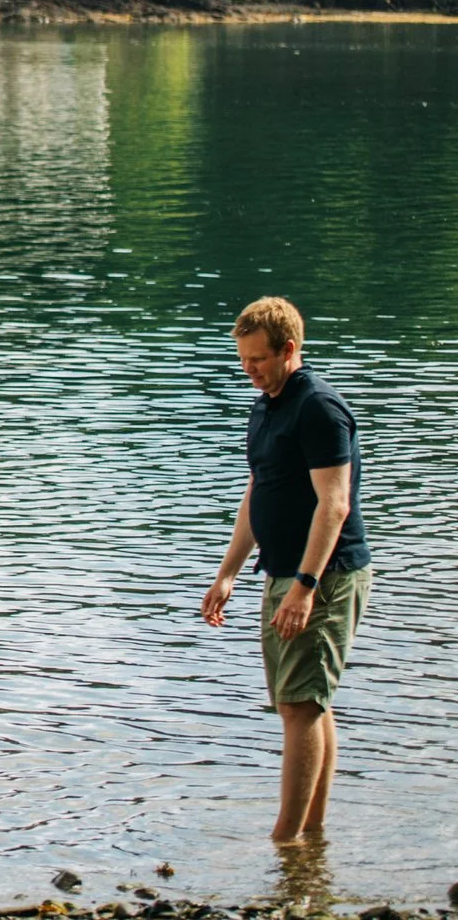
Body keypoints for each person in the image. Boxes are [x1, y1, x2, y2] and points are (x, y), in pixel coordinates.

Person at [199, 296, 371, 844]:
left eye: (259, 361)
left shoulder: (318, 408)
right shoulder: (268, 403)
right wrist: (228, 572)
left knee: (300, 704)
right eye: (244, 360)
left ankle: (286, 841)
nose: (249, 370)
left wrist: (305, 585)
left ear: (289, 350)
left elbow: (334, 504)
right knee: (304, 705)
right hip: (281, 574)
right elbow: (260, 490)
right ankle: (311, 835)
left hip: (322, 577)